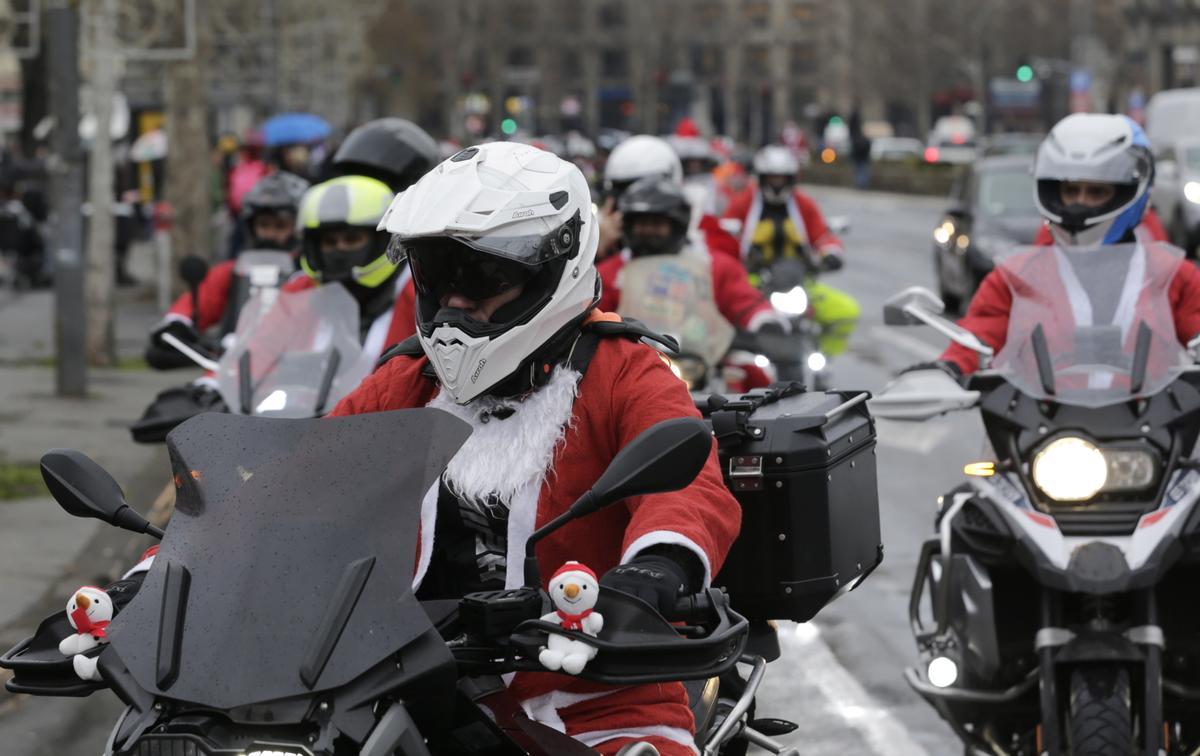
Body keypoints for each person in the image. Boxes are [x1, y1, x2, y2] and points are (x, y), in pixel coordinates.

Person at [330, 142, 741, 755]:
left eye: (484, 277)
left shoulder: (623, 371)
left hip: (596, 685)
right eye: (438, 277)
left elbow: (686, 486)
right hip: (409, 686)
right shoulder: (411, 379)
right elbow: (303, 477)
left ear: (555, 268)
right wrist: (170, 571)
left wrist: (652, 572)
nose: (456, 302)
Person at [938, 113, 1200, 376]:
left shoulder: (1173, 276)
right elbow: (981, 330)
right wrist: (947, 368)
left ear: (1130, 192)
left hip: (1152, 416)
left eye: (1097, 192)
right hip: (1038, 416)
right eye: (1070, 191)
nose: (1080, 203)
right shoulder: (1017, 276)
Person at [145, 171, 310, 369]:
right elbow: (200, 299)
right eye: (263, 225)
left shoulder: (311, 275)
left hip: (298, 376)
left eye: (280, 226)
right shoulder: (235, 271)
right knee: (172, 401)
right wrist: (177, 325)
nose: (270, 234)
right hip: (228, 375)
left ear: (299, 229)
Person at [723, 145, 860, 358]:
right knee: (726, 319)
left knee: (846, 311)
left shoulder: (804, 205)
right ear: (761, 178)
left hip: (798, 284)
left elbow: (822, 236)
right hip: (752, 281)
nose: (777, 183)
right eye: (771, 178)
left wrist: (831, 253)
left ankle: (822, 363)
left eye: (782, 178)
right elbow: (723, 236)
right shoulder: (743, 203)